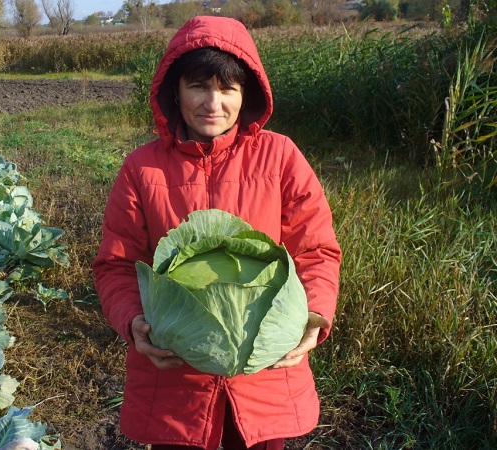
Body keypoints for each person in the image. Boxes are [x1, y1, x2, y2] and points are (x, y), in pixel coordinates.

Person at [93, 15, 341, 450]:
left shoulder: (280, 157)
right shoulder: (141, 169)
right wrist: (134, 321)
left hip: (265, 377)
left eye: (227, 88)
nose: (213, 102)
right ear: (175, 91)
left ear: (246, 95)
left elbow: (317, 249)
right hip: (174, 381)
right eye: (198, 86)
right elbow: (115, 265)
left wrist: (315, 314)